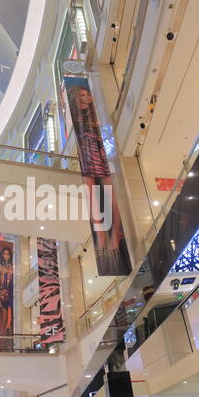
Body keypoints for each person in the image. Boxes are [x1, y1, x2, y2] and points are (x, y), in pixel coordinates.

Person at [67, 85, 130, 275]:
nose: (87, 97)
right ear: (77, 99)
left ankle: (114, 240)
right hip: (87, 159)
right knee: (93, 201)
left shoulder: (96, 115)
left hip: (99, 157)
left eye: (88, 94)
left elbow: (106, 134)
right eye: (83, 95)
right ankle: (101, 240)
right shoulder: (78, 118)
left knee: (111, 198)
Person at [0, 246, 14, 351]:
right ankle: (2, 344)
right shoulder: (0, 267)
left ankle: (8, 344)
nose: (6, 256)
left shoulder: (12, 267)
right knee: (4, 320)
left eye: (8, 254)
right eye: (4, 254)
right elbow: (1, 282)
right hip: (3, 294)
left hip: (11, 293)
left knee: (10, 320)